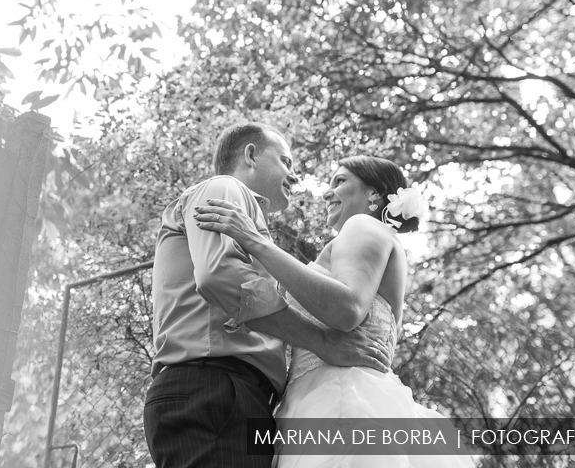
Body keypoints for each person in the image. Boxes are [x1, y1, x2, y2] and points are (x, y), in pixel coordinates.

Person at [194, 156, 477, 467]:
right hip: (327, 398)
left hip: (342, 397)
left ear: (374, 195)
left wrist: (255, 241)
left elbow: (347, 309)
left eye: (340, 181)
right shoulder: (364, 240)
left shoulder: (363, 225)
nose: (327, 193)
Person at [143, 125, 393, 468]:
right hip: (213, 388)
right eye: (285, 161)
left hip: (237, 395)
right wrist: (322, 341)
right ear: (250, 155)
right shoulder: (224, 188)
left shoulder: (249, 225)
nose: (293, 175)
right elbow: (221, 276)